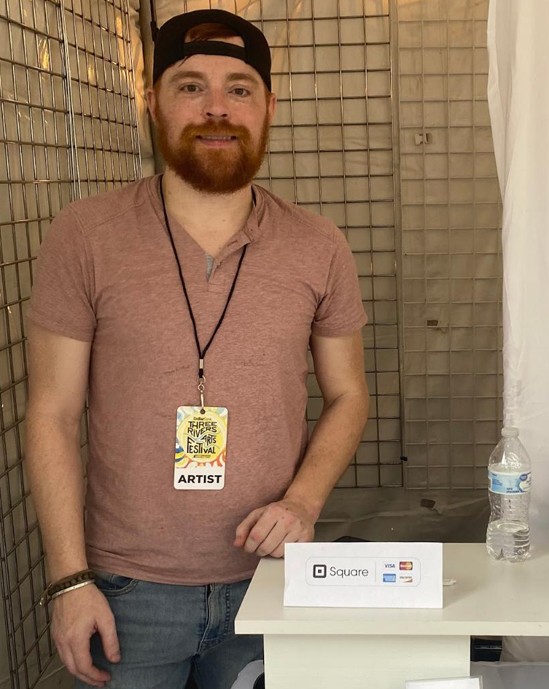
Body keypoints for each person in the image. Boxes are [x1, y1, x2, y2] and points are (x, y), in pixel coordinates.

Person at [24, 9, 369, 689]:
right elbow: (52, 411)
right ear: (151, 101)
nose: (217, 108)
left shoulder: (318, 244)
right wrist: (69, 580)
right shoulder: (87, 235)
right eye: (190, 86)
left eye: (239, 88)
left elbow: (349, 393)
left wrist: (301, 501)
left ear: (268, 106)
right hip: (127, 590)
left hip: (269, 581)